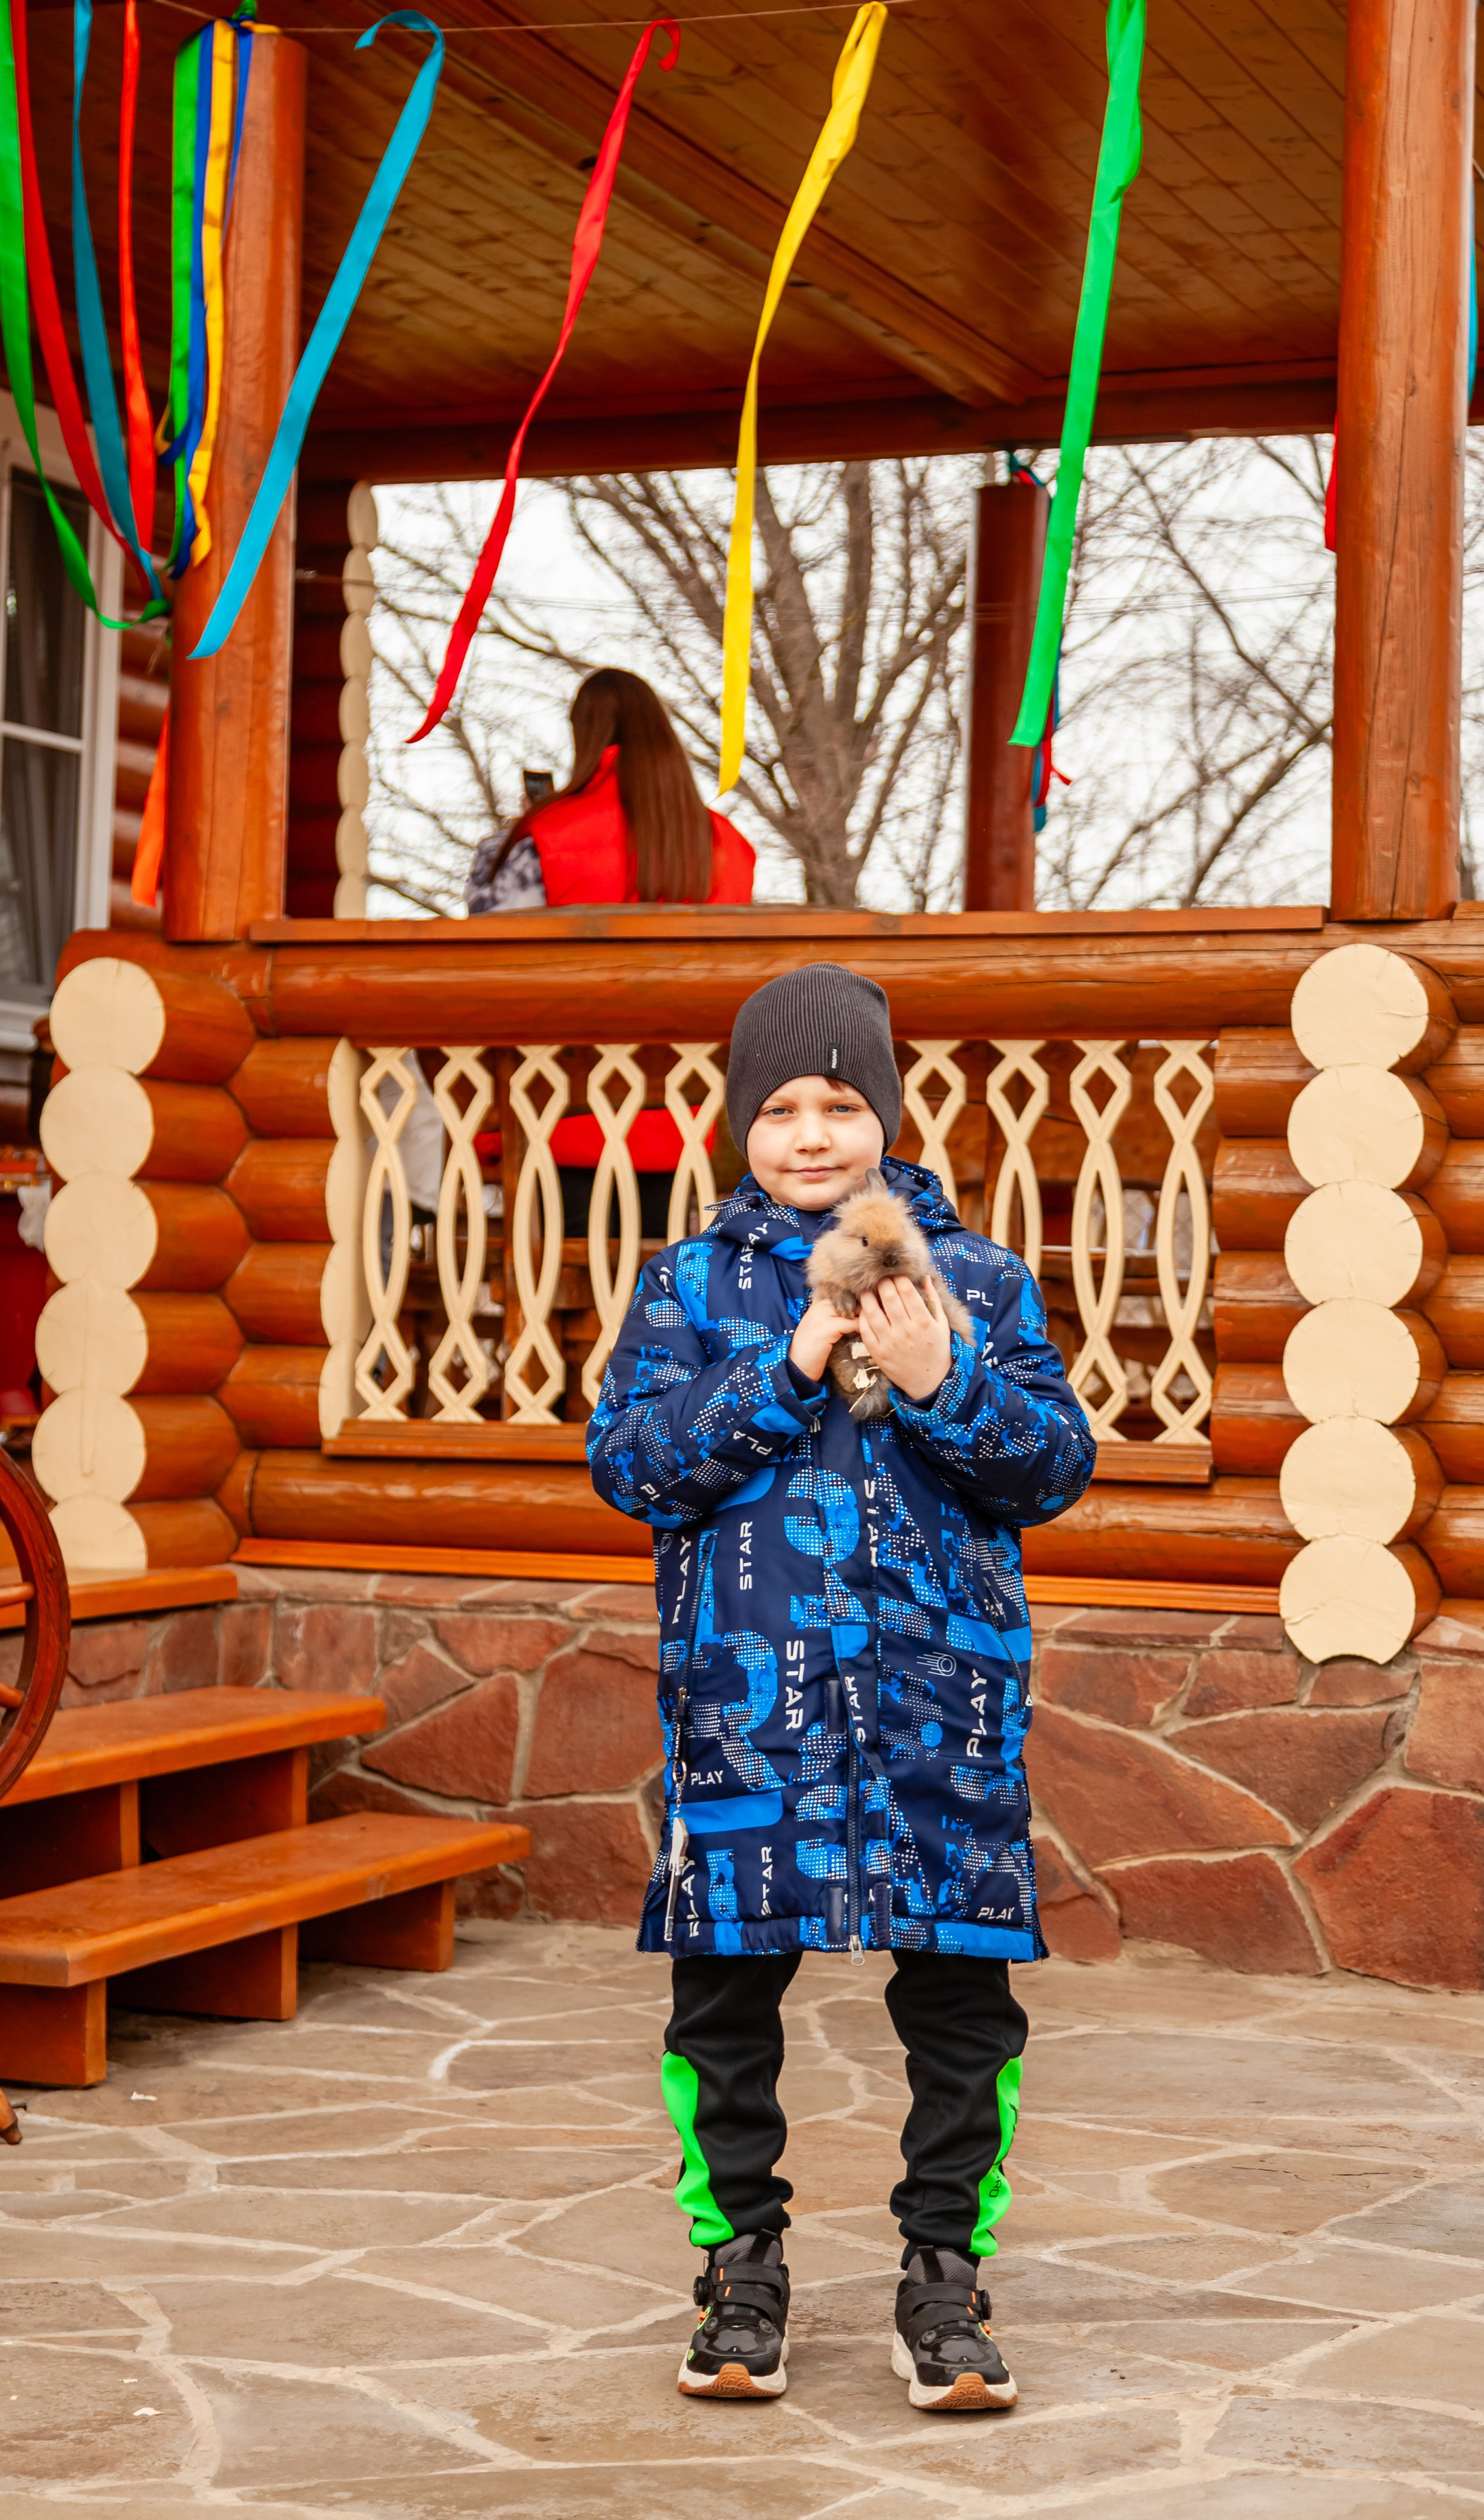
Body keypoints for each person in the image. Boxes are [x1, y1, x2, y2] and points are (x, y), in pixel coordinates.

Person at [587, 964, 1095, 2414]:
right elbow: (631, 1469)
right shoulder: (685, 1287)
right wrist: (784, 1365)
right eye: (780, 1107)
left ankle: (942, 2276)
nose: (810, 1134)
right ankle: (738, 2268)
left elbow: (1048, 1471)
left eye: (840, 1104)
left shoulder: (979, 1279)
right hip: (748, 1715)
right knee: (721, 2008)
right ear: (739, 1121)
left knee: (959, 2010)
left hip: (940, 1711)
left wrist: (945, 1381)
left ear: (883, 1115)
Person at [467, 669, 756, 1232]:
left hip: (556, 1119)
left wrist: (486, 1136)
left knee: (559, 1294)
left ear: (586, 737)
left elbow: (490, 977)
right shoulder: (728, 847)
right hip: (685, 1120)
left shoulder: (536, 840)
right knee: (669, 1298)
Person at [465, 668, 754, 914]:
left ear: (585, 737)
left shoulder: (549, 835)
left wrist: (510, 840)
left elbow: (490, 924)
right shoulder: (731, 842)